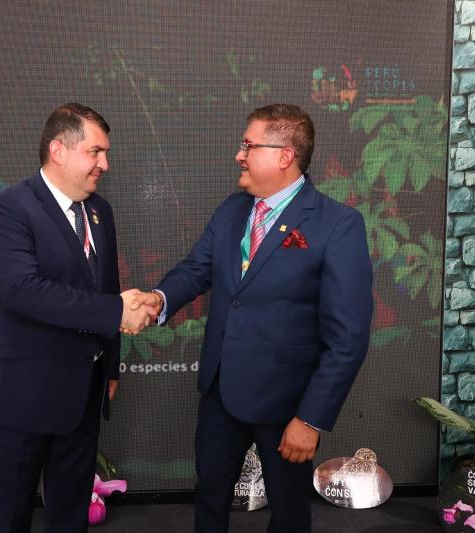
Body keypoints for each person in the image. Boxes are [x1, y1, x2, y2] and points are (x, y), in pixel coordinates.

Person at [133, 104, 373, 532]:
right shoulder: (232, 210)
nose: (238, 155)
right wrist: (157, 299)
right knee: (209, 496)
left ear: (285, 156)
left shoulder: (338, 225)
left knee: (289, 512)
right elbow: (196, 270)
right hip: (220, 391)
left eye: (248, 146)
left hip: (287, 404)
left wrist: (310, 419)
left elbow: (348, 338)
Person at [0, 103, 155, 533]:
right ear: (58, 150)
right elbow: (21, 290)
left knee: (70, 516)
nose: (104, 164)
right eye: (95, 152)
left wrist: (109, 365)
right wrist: (117, 311)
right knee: (4, 519)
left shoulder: (100, 212)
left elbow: (107, 286)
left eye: (105, 153)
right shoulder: (9, 208)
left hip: (82, 396)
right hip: (19, 398)